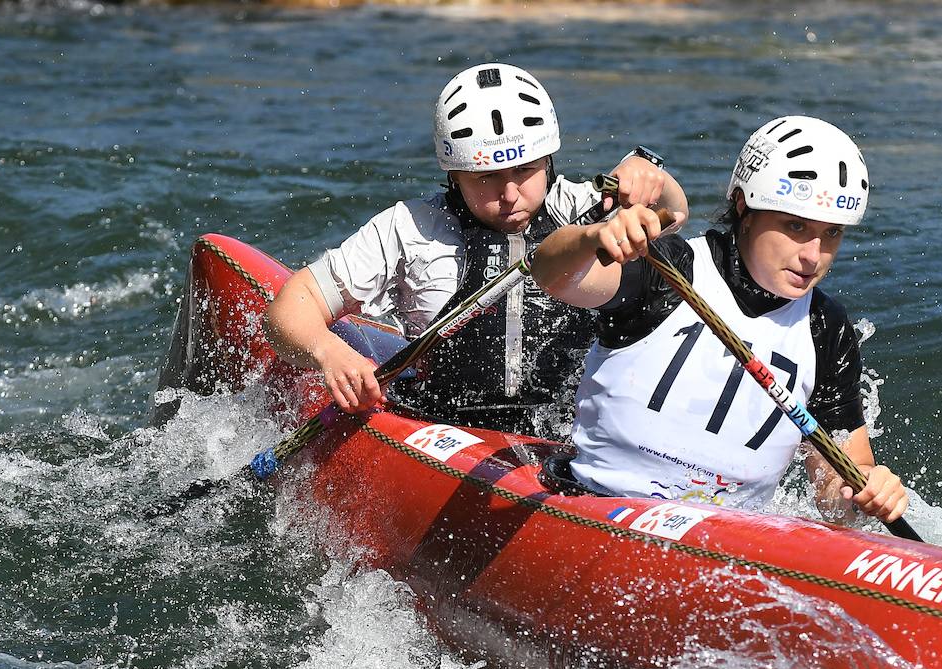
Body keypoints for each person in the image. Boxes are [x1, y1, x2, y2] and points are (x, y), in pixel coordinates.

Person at [261, 62, 687, 437]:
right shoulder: (409, 228)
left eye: (524, 170)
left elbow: (674, 214)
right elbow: (291, 308)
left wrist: (650, 174)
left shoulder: (587, 208)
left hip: (566, 431)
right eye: (485, 177)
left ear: (549, 161)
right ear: (454, 175)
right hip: (443, 429)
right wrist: (329, 352)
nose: (509, 194)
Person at [529, 115, 908, 524]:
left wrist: (867, 489)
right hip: (599, 504)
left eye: (832, 233)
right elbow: (551, 276)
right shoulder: (670, 267)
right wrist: (590, 239)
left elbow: (835, 490)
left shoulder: (826, 329)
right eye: (795, 226)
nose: (814, 256)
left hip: (731, 538)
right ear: (744, 206)